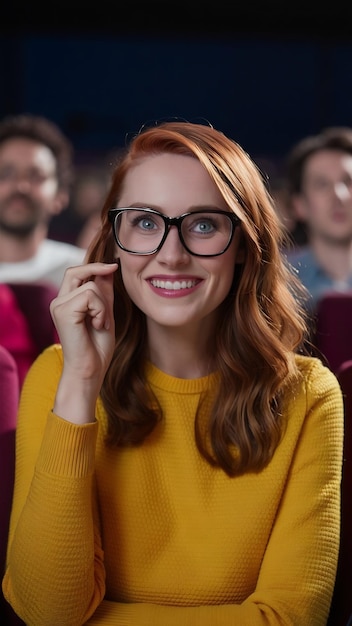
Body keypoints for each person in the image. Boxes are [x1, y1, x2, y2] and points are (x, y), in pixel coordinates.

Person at [2, 120, 344, 626]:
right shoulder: (60, 376)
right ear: (113, 241)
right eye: (144, 222)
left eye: (204, 224)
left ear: (246, 245)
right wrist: (80, 385)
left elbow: (287, 617)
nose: (172, 253)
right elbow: (47, 612)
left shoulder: (310, 395)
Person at [0, 114, 86, 287]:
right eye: (6, 174)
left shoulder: (84, 272)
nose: (20, 186)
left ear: (60, 195)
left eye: (36, 176)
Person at [284, 126, 352, 315]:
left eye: (348, 181)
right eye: (322, 184)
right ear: (299, 205)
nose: (340, 195)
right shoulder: (276, 283)